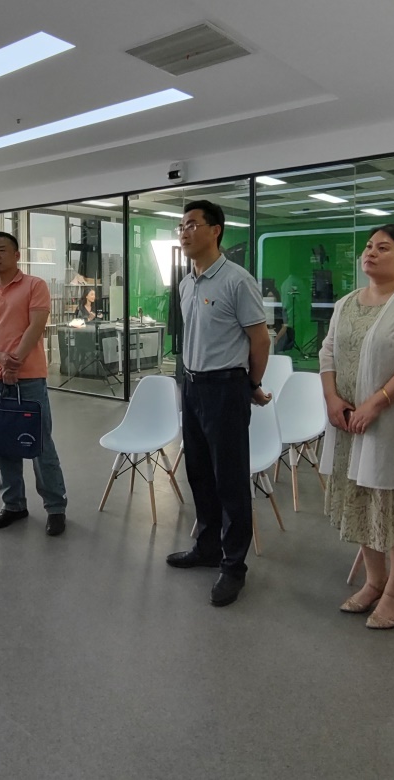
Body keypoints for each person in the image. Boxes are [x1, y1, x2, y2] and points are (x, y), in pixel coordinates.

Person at [319, 224, 394, 629]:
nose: (370, 253)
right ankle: (374, 582)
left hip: (393, 421)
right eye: (369, 246)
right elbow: (327, 353)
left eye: (383, 248)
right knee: (360, 497)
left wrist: (373, 405)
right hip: (347, 421)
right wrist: (332, 398)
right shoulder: (346, 303)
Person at [165, 200, 271, 608]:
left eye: (192, 224)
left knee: (230, 480)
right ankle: (207, 547)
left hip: (226, 388)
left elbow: (260, 339)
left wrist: (251, 384)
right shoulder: (186, 283)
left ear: (216, 230)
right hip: (192, 387)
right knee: (199, 473)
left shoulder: (237, 281)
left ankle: (233, 566)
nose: (184, 232)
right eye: (181, 226)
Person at [0, 231, 67, 535]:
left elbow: (36, 327)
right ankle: (13, 504)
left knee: (39, 445)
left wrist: (14, 363)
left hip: (30, 379)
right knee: (2, 445)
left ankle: (55, 507)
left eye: (1, 250)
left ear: (16, 255)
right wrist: (0, 359)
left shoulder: (35, 285)